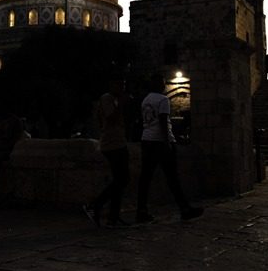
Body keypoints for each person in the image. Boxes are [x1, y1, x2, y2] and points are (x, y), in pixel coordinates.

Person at [136, 74, 203, 223]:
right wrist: (168, 143)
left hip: (146, 139)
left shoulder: (146, 100)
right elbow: (163, 121)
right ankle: (184, 209)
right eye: (163, 83)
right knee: (172, 177)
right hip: (160, 142)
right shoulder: (163, 99)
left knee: (145, 177)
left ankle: (141, 210)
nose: (164, 85)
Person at [84, 75, 131, 228]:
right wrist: (121, 105)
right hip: (112, 144)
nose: (123, 88)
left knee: (121, 180)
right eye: (120, 85)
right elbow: (110, 118)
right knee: (121, 179)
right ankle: (95, 206)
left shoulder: (114, 100)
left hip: (119, 142)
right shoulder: (107, 99)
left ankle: (113, 216)